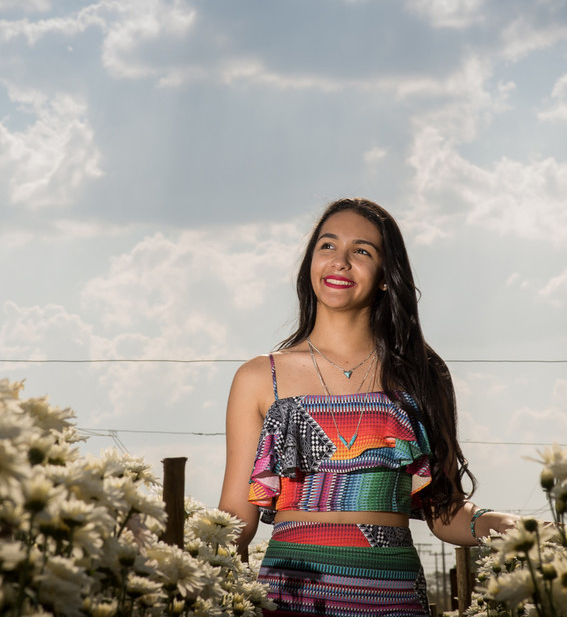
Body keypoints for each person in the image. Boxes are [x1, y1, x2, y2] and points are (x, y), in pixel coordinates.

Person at [219, 197, 520, 616]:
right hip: (288, 601)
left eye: (361, 251)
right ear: (310, 264)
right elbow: (235, 520)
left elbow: (443, 512)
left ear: (385, 276)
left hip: (394, 602)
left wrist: (503, 525)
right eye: (327, 246)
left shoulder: (422, 373)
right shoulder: (257, 377)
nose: (340, 261)